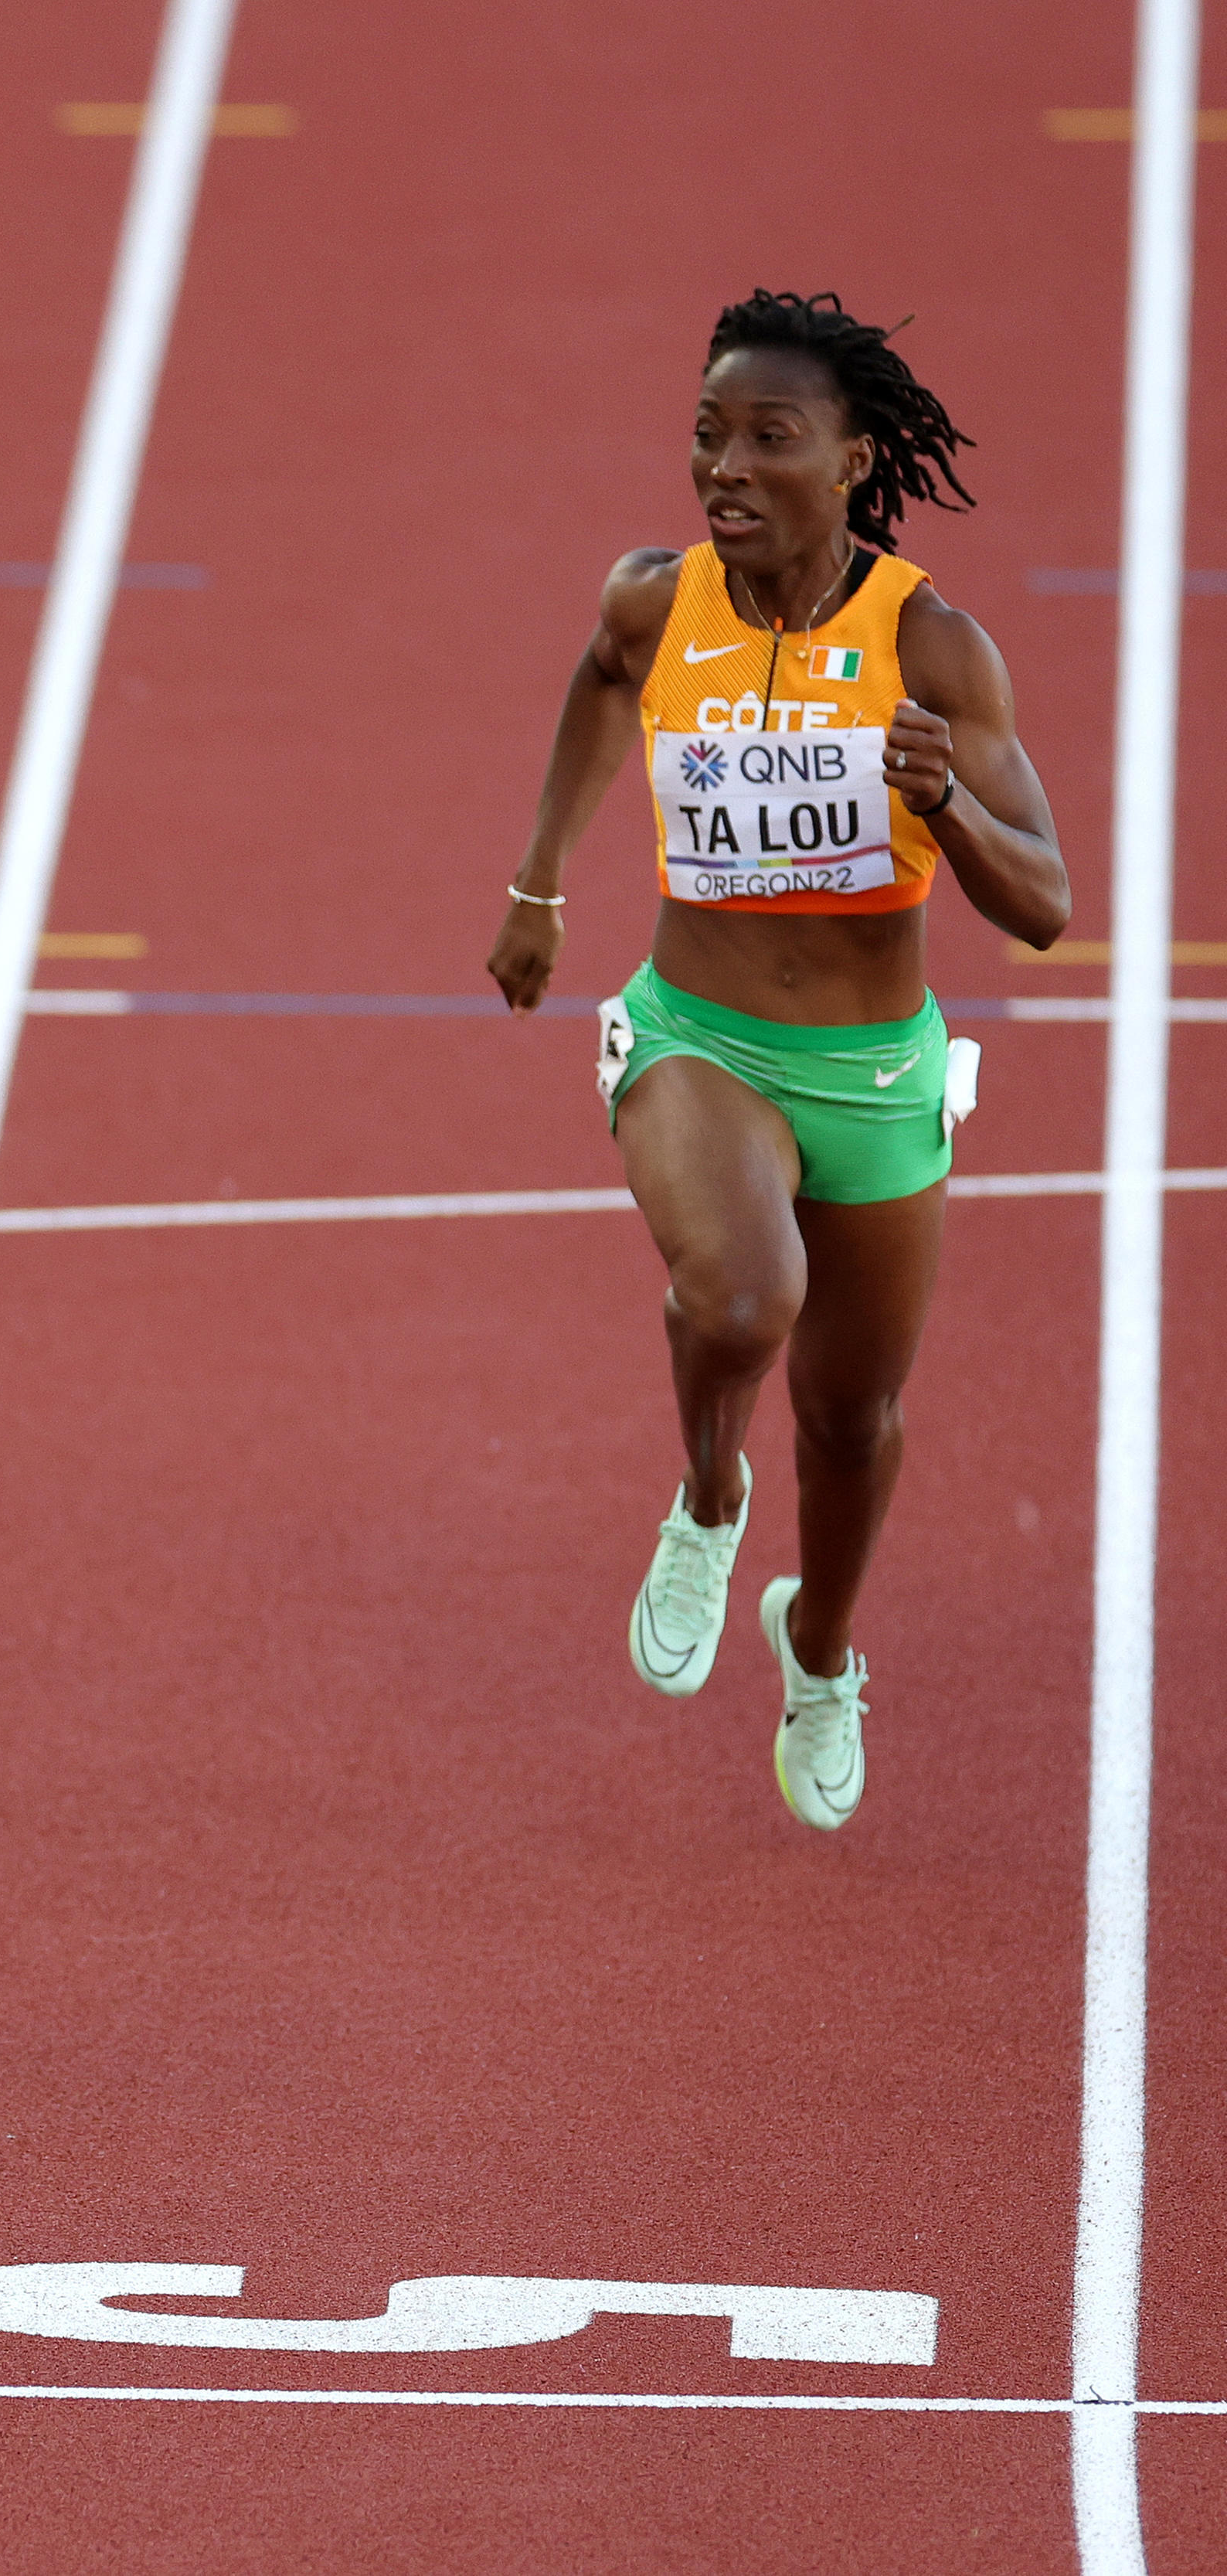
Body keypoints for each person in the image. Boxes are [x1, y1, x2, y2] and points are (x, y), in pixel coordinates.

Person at [488, 289, 1068, 1831]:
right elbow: (601, 689)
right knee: (741, 1292)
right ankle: (707, 1498)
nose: (722, 465)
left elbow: (1047, 910)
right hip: (697, 1032)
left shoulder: (928, 641)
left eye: (766, 437)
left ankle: (817, 1650)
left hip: (874, 1070)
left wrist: (942, 803)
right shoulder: (651, 599)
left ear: (851, 455)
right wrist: (539, 882)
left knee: (854, 1420)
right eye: (705, 432)